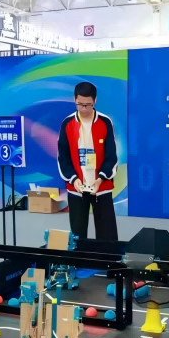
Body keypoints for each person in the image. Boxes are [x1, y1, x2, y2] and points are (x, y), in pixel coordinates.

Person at [57, 81, 118, 241]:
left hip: (101, 187)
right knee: (78, 235)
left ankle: (108, 257)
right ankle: (79, 257)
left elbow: (111, 156)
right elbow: (63, 157)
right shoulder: (67, 124)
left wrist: (100, 179)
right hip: (77, 188)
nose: (84, 109)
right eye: (80, 104)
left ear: (95, 101)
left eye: (88, 105)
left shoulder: (105, 122)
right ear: (74, 99)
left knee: (107, 236)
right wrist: (74, 179)